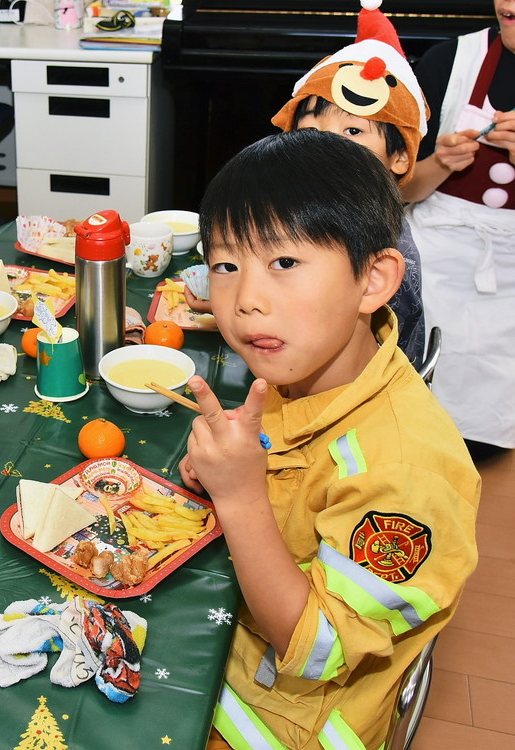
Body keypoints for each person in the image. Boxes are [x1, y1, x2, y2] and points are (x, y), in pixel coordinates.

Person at [179, 130, 480, 750]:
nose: (248, 301)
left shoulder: (406, 471)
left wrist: (238, 497)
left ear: (374, 281)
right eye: (226, 266)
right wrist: (230, 466)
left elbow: (319, 647)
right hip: (226, 648)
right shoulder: (306, 369)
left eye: (285, 263)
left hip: (273, 726)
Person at [269, 0, 429, 366]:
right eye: (311, 127)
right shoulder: (305, 207)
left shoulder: (385, 253)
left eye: (353, 130)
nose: (325, 143)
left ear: (399, 157)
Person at [401, 0, 515, 458]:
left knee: (479, 445)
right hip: (436, 254)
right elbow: (402, 191)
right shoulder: (449, 61)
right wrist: (439, 163)